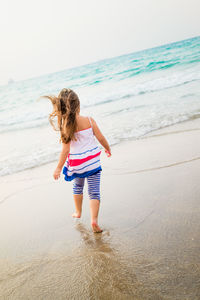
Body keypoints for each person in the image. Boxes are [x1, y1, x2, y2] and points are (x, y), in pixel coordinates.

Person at [44, 88, 111, 233]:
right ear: (78, 104)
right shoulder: (89, 120)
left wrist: (58, 168)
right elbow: (101, 137)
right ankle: (94, 221)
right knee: (94, 193)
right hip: (93, 163)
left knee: (78, 188)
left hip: (77, 165)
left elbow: (65, 150)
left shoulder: (66, 127)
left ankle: (78, 212)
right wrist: (107, 148)